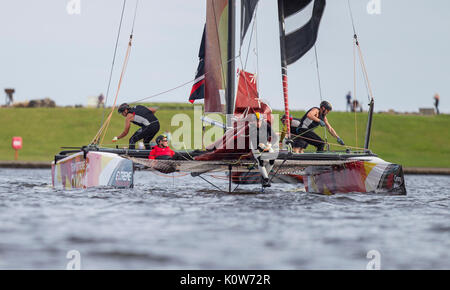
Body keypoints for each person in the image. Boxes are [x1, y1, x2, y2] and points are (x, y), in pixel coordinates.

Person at [249, 112, 279, 188]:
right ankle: (266, 179)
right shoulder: (252, 128)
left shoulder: (266, 125)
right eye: (256, 122)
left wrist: (270, 145)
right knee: (261, 160)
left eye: (259, 121)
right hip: (256, 145)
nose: (258, 123)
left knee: (272, 160)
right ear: (253, 122)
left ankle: (264, 176)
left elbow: (275, 137)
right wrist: (261, 146)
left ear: (262, 120)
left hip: (266, 144)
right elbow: (254, 142)